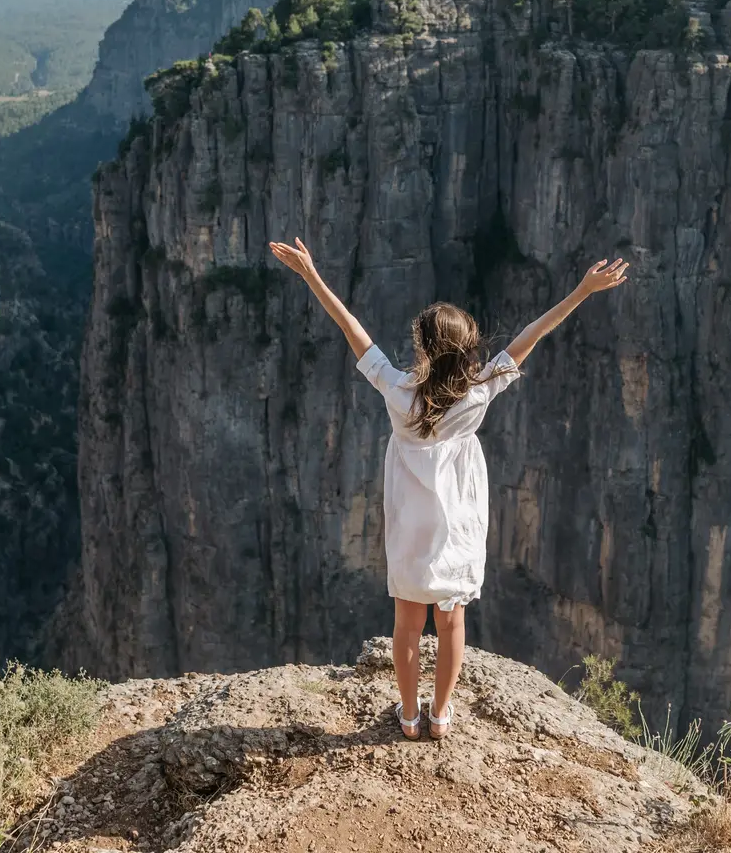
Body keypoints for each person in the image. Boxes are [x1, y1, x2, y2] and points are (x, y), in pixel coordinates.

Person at [268, 237, 628, 740]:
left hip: (411, 526)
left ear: (422, 348)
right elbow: (531, 335)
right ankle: (440, 715)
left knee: (407, 625)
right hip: (457, 522)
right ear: (467, 350)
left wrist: (311, 275)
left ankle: (410, 716)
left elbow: (353, 330)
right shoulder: (478, 394)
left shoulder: (398, 393)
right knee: (452, 621)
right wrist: (583, 291)